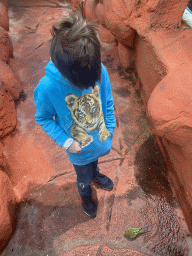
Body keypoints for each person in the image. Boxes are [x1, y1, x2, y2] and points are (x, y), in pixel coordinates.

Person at [33, 10, 116, 217]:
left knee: (94, 163)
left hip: (97, 141)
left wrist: (110, 124)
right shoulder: (47, 88)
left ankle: (95, 174)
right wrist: (67, 142)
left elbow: (106, 98)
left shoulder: (98, 69)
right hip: (78, 150)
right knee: (83, 176)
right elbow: (42, 118)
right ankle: (85, 193)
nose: (91, 85)